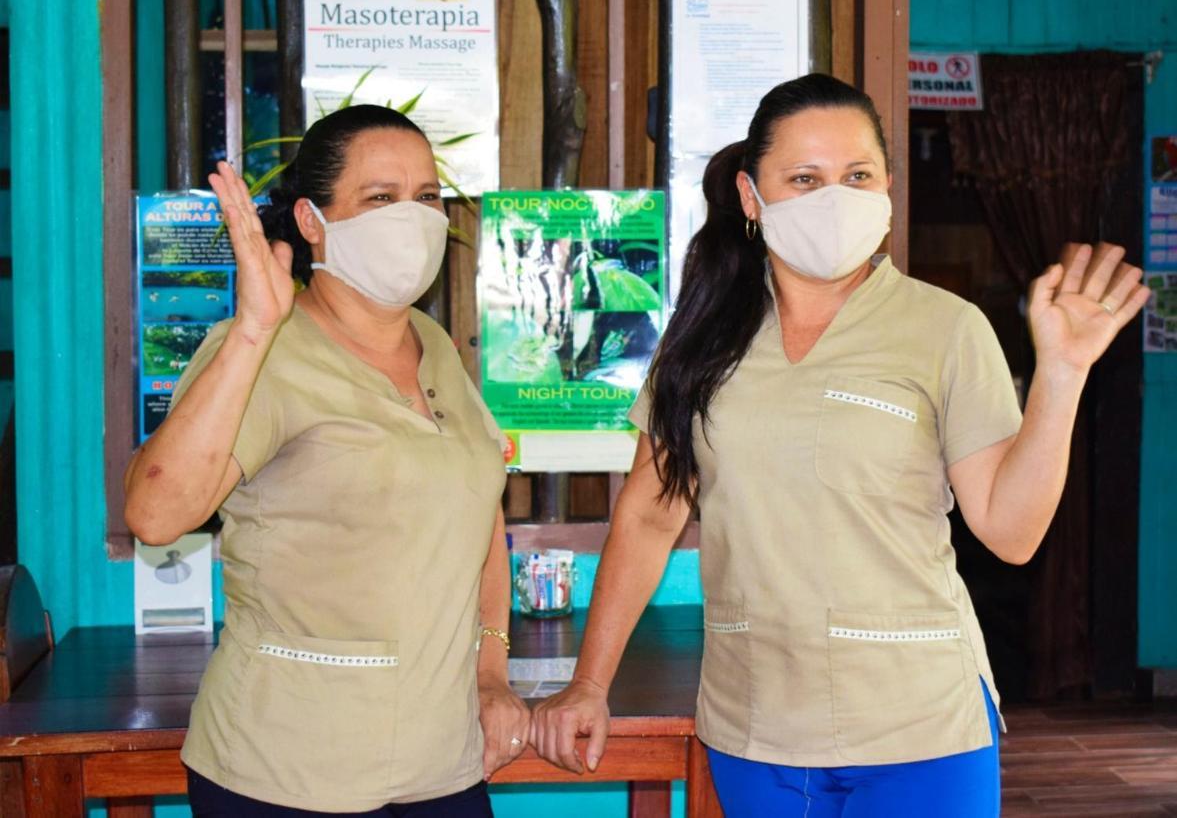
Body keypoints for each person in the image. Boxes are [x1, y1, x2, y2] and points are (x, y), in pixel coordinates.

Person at [531, 74, 1150, 817]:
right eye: (804, 179)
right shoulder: (700, 340)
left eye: (856, 176)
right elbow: (646, 516)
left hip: (919, 725)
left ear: (886, 186)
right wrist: (588, 684)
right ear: (750, 198)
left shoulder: (944, 329)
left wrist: (1061, 374)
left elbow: (1011, 533)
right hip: (754, 725)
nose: (835, 199)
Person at [123, 105, 529, 817]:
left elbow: (475, 508)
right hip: (285, 770)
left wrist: (490, 668)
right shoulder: (265, 352)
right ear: (312, 221)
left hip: (441, 764)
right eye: (380, 198)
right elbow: (156, 516)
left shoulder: (432, 342)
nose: (413, 218)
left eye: (426, 198)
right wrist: (253, 330)